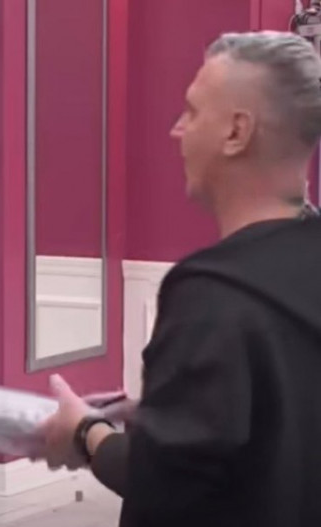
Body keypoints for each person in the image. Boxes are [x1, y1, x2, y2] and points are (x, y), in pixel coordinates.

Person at [37, 31, 321, 526]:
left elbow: (164, 483)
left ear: (236, 132)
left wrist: (85, 433)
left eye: (192, 111)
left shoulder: (212, 294)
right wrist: (164, 409)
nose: (176, 129)